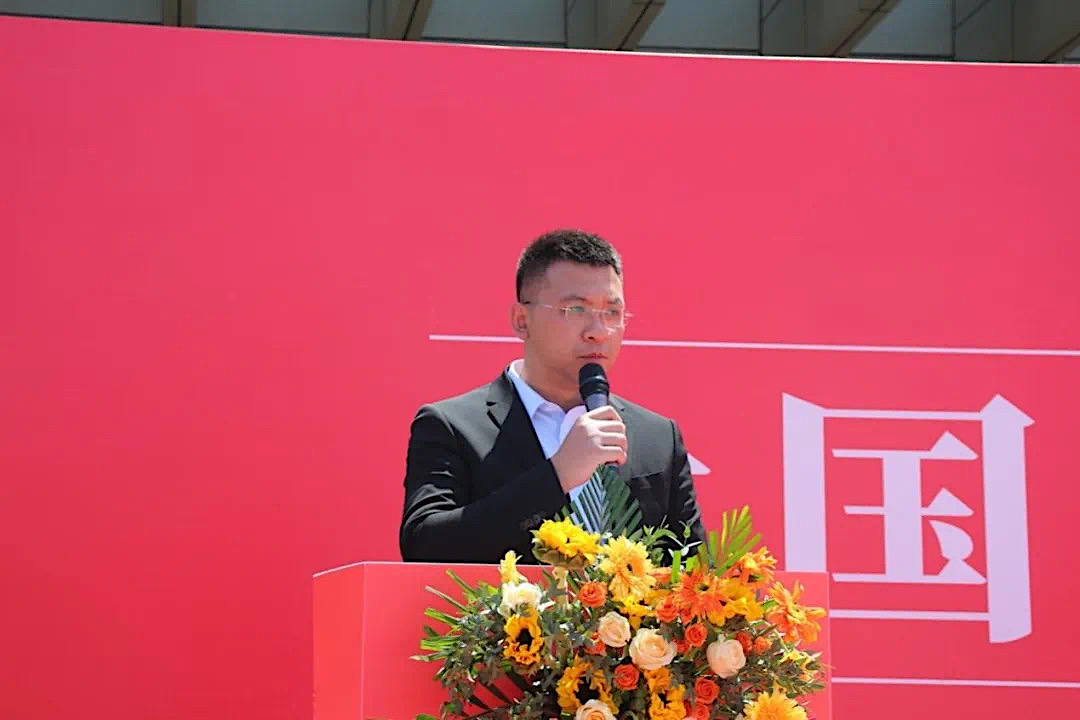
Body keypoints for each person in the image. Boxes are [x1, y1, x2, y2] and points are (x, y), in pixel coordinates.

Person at [399, 229, 705, 563]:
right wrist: (557, 475)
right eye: (576, 309)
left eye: (612, 313)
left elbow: (695, 572)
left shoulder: (658, 436)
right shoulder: (452, 426)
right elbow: (424, 546)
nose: (598, 332)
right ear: (521, 320)